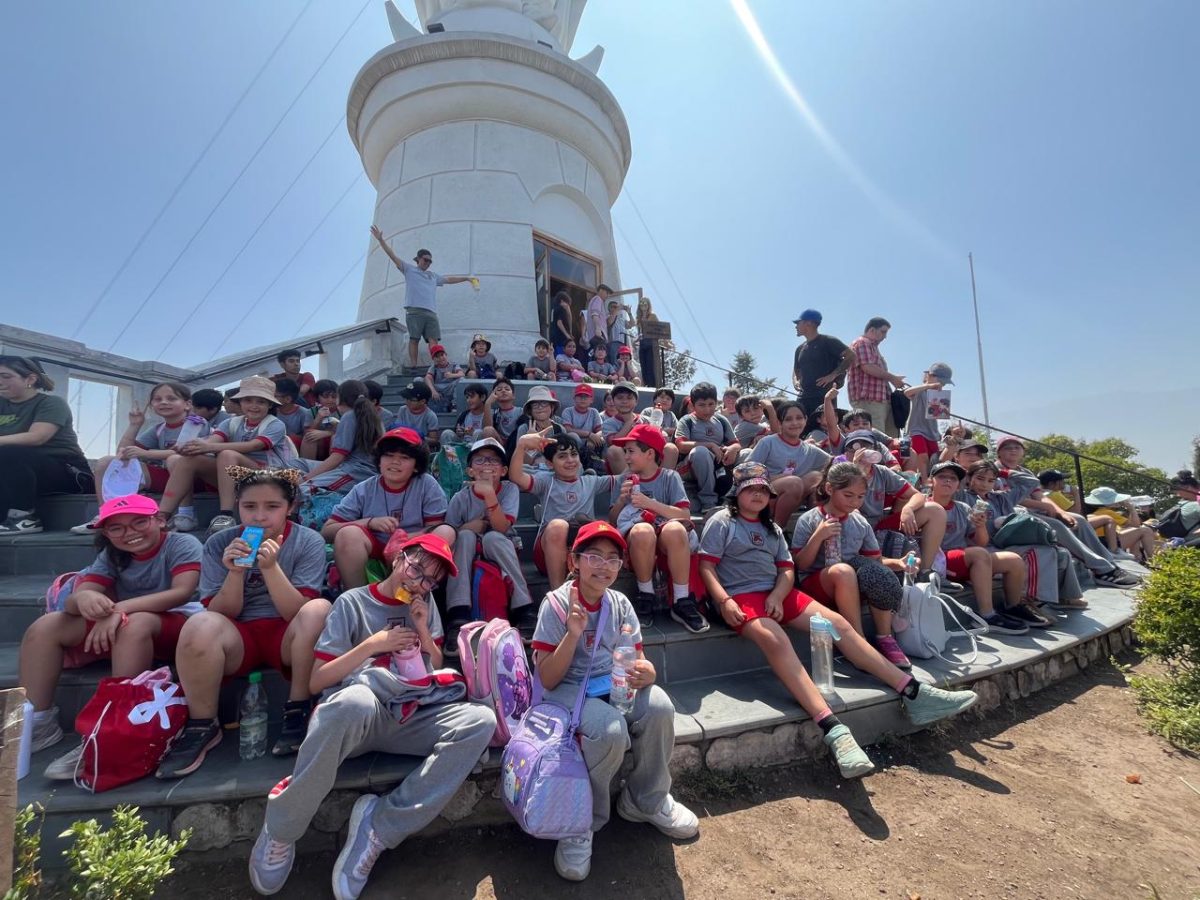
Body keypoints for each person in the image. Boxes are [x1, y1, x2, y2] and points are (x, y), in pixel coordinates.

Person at [249, 534, 495, 900]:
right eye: (415, 569)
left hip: (410, 714)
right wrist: (373, 645)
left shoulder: (424, 604)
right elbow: (318, 679)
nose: (418, 582)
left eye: (430, 580)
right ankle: (282, 829)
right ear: (397, 559)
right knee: (356, 702)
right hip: (358, 718)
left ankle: (379, 828)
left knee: (481, 722)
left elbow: (435, 667)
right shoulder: (353, 602)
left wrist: (424, 628)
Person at [699, 463, 978, 780]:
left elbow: (786, 570)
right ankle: (833, 728)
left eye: (764, 489)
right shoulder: (722, 522)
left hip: (778, 593)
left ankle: (914, 692)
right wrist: (724, 601)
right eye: (751, 488)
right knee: (776, 639)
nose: (758, 494)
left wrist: (777, 595)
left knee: (839, 625)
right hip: (739, 596)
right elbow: (707, 567)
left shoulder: (772, 528)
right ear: (738, 492)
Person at [530, 521, 699, 882]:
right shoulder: (556, 605)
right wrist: (573, 635)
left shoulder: (619, 603)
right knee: (609, 732)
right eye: (594, 557)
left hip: (611, 683)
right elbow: (547, 678)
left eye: (612, 559)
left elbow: (636, 657)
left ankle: (645, 799)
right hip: (569, 689)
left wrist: (648, 672)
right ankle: (581, 822)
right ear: (575, 561)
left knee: (659, 707)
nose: (603, 566)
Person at [156, 469, 331, 776]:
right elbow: (221, 613)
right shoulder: (218, 543)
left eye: (272, 507)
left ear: (290, 507)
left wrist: (271, 568)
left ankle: (299, 706)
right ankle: (201, 724)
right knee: (198, 624)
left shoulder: (308, 541)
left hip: (287, 634)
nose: (260, 517)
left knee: (318, 609)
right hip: (238, 636)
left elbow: (297, 612)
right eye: (249, 507)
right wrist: (235, 572)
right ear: (237, 506)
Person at [21, 495, 203, 778]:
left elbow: (181, 592)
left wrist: (119, 610)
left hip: (178, 624)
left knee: (135, 624)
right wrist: (85, 600)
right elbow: (79, 597)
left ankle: (112, 729)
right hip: (123, 625)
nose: (129, 533)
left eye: (139, 522)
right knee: (47, 626)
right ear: (106, 533)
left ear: (160, 520)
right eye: (116, 528)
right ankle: (39, 723)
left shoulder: (182, 544)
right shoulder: (111, 556)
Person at [791, 463, 914, 666]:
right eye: (848, 495)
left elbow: (876, 560)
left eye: (860, 496)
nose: (855, 502)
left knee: (878, 575)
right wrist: (819, 536)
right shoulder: (810, 519)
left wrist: (899, 563)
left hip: (850, 584)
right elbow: (801, 564)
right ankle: (857, 642)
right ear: (830, 489)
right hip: (819, 583)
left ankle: (885, 637)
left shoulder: (859, 521)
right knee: (844, 571)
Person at [165, 375, 301, 536]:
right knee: (178, 458)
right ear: (241, 402)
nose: (254, 406)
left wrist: (207, 446)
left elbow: (254, 445)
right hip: (235, 475)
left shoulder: (275, 424)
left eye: (261, 402)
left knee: (227, 454)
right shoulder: (231, 422)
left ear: (269, 404)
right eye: (248, 400)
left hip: (269, 474)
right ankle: (173, 514)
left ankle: (226, 514)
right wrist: (190, 447)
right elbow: (213, 440)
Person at [322, 428, 454, 589]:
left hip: (414, 551)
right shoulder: (364, 488)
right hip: (375, 549)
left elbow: (436, 528)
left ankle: (416, 593)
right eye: (389, 455)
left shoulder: (427, 484)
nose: (395, 462)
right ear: (379, 461)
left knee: (446, 532)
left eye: (404, 457)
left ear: (416, 466)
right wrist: (369, 522)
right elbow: (327, 531)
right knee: (348, 534)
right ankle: (359, 600)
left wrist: (404, 539)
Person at [73, 381, 211, 533]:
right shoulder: (159, 429)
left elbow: (185, 451)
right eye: (158, 399)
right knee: (107, 462)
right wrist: (135, 425)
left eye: (171, 398)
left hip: (195, 478)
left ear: (187, 404)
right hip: (167, 477)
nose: (164, 402)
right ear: (152, 405)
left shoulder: (196, 423)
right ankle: (107, 514)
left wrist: (146, 453)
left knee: (176, 460)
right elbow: (122, 454)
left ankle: (186, 514)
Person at [609, 423, 706, 632]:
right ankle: (646, 595)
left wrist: (649, 503)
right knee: (642, 531)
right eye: (625, 452)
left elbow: (684, 515)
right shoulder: (623, 480)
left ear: (650, 453)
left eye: (631, 451)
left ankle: (682, 601)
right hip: (639, 541)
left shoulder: (670, 477)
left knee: (676, 529)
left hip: (666, 543)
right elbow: (613, 519)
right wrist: (621, 500)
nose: (626, 457)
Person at [444, 438, 536, 642]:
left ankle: (524, 608)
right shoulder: (461, 497)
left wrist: (488, 495)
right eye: (480, 460)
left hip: (500, 545)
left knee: (493, 537)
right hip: (467, 550)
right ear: (469, 471)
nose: (487, 465)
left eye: (493, 461)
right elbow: (448, 534)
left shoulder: (510, 489)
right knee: (466, 536)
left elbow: (502, 527)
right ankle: (457, 612)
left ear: (503, 471)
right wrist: (469, 527)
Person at [962, 461, 1082, 616]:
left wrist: (1002, 471)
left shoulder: (1001, 498)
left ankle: (1067, 597)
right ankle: (1028, 598)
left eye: (991, 480)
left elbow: (1031, 482)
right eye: (980, 478)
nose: (985, 484)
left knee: (1061, 553)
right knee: (1040, 552)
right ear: (969, 478)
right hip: (985, 548)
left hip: (1006, 543)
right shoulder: (963, 497)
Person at [925, 461, 1031, 634]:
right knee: (980, 554)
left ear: (958, 484)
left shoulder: (963, 507)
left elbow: (980, 541)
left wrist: (981, 525)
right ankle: (987, 615)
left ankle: (1013, 606)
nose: (948, 481)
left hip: (961, 560)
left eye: (953, 478)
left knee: (1014, 560)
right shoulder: (923, 505)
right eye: (942, 477)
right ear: (931, 481)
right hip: (937, 561)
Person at [509, 432, 619, 589]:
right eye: (562, 456)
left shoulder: (591, 482)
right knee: (558, 526)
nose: (570, 460)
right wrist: (521, 446)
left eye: (574, 455)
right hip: (548, 551)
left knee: (600, 528)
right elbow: (516, 476)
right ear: (549, 463)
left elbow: (623, 478)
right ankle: (558, 597)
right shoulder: (546, 482)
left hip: (580, 551)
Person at [0, 355, 94, 534]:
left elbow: (38, 437)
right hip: (19, 473)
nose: (0, 382)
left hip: (67, 473)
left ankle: (24, 517)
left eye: (6, 376)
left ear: (30, 379)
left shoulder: (51, 403)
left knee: (9, 452)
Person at [370, 226, 476, 367]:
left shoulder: (432, 276)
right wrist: (381, 240)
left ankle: (437, 365)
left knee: (434, 340)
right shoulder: (408, 269)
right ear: (418, 259)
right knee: (414, 339)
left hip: (431, 312)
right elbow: (392, 256)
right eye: (425, 260)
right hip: (414, 311)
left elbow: (449, 279)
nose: (428, 263)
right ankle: (414, 365)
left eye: (430, 261)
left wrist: (467, 278)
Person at [749, 402, 829, 528]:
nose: (795, 423)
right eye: (788, 419)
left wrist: (857, 459)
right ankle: (777, 530)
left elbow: (835, 462)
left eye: (799, 418)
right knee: (794, 482)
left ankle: (815, 529)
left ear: (806, 420)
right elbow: (745, 470)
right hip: (761, 494)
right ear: (780, 423)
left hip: (790, 497)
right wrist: (776, 477)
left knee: (816, 477)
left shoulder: (809, 449)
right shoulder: (768, 442)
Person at [296, 380, 383, 495]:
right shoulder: (369, 415)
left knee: (303, 490)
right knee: (297, 463)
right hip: (346, 466)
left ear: (340, 398)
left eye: (335, 396)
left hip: (357, 473)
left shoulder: (350, 416)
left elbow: (338, 457)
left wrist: (306, 479)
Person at [675, 382, 740, 512]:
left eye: (711, 404)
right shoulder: (687, 421)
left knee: (746, 453)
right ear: (693, 405)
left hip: (717, 461)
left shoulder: (721, 420)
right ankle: (708, 502)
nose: (707, 409)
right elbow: (681, 445)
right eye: (702, 405)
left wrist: (733, 450)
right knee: (700, 452)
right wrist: (710, 445)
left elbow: (736, 443)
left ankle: (738, 495)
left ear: (716, 403)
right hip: (690, 466)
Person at [791, 310, 854, 429]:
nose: (796, 326)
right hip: (803, 396)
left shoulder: (828, 341)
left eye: (798, 323)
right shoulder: (800, 349)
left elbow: (851, 356)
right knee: (801, 429)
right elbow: (796, 370)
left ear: (808, 323)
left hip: (824, 396)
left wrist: (833, 375)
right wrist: (795, 381)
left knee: (824, 429)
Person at [847, 318, 905, 437]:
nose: (885, 337)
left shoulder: (873, 347)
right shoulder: (862, 342)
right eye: (883, 332)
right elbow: (867, 367)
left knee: (889, 440)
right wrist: (892, 378)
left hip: (880, 400)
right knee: (876, 439)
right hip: (868, 400)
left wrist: (892, 378)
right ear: (872, 330)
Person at [903, 363, 954, 478]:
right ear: (931, 376)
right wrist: (928, 386)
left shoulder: (938, 395)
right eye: (941, 381)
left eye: (944, 383)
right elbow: (907, 392)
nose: (941, 385)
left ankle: (932, 479)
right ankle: (925, 481)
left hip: (931, 432)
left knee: (934, 458)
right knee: (922, 456)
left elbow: (935, 414)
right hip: (915, 430)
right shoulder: (920, 391)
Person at [1083, 486, 1159, 563]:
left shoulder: (1095, 512)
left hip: (1095, 543)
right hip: (1105, 544)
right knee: (1145, 531)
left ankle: (1136, 558)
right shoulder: (1108, 513)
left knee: (1135, 534)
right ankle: (1154, 561)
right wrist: (1131, 508)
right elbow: (1135, 525)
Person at [560, 382, 606, 470]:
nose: (583, 399)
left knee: (605, 439)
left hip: (592, 444)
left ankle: (604, 465)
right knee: (572, 436)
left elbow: (601, 430)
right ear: (574, 398)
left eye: (586, 396)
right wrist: (589, 434)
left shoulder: (594, 411)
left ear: (591, 400)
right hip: (574, 447)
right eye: (580, 396)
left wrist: (593, 438)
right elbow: (568, 430)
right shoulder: (568, 411)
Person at [442, 383, 496, 448]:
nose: (468, 400)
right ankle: (451, 458)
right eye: (467, 397)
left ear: (482, 397)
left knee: (478, 432)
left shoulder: (491, 413)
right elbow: (458, 433)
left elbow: (490, 432)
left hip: (480, 449)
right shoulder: (464, 414)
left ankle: (472, 457)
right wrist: (459, 433)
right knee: (447, 433)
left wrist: (473, 433)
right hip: (464, 445)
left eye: (472, 396)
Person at [301, 379, 341, 461]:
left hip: (337, 444)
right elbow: (306, 433)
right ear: (317, 398)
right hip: (319, 445)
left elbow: (347, 432)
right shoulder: (312, 411)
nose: (330, 400)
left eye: (334, 396)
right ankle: (308, 467)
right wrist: (318, 418)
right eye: (325, 396)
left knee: (335, 437)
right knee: (309, 437)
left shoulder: (342, 410)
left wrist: (327, 433)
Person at [424, 343, 463, 413]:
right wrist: (433, 391)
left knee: (461, 380)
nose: (440, 358)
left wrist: (452, 375)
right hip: (437, 389)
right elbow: (428, 377)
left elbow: (462, 374)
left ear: (446, 355)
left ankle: (454, 404)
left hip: (449, 387)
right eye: (437, 356)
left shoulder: (453, 364)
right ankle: (421, 403)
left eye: (442, 355)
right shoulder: (433, 367)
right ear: (433, 359)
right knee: (418, 380)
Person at [273, 379, 311, 450]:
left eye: (275, 396)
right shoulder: (272, 411)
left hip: (294, 447)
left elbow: (307, 436)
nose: (271, 398)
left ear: (288, 399)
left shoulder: (304, 413)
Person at [484, 377, 521, 443]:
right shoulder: (493, 412)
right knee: (488, 430)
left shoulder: (521, 411)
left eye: (507, 389)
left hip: (515, 443)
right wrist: (487, 403)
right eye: (499, 389)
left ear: (513, 395)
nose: (503, 391)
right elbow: (488, 430)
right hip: (499, 443)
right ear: (494, 395)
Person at [583, 284, 612, 362]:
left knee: (596, 356)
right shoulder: (598, 299)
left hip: (595, 335)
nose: (607, 296)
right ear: (601, 290)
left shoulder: (595, 300)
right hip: (599, 335)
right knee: (601, 357)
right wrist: (598, 329)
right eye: (607, 293)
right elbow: (595, 314)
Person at [606, 297, 634, 363]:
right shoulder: (608, 316)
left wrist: (629, 313)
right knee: (614, 362)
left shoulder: (621, 319)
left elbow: (632, 324)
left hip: (623, 344)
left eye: (616, 307)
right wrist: (618, 308)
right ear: (609, 308)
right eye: (614, 307)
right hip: (613, 343)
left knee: (622, 363)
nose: (616, 308)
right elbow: (609, 322)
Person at [551, 291, 576, 356]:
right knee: (562, 355)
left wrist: (570, 332)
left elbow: (569, 320)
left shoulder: (555, 309)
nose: (568, 305)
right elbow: (559, 323)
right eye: (567, 303)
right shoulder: (561, 309)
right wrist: (567, 335)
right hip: (561, 338)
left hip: (556, 336)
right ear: (562, 301)